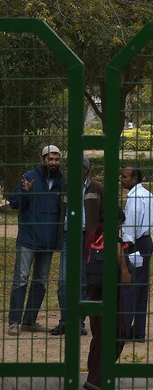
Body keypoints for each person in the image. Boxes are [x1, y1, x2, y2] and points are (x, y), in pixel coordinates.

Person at [7, 145, 64, 336]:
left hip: (47, 241)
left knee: (40, 282)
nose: (54, 163)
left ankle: (29, 321)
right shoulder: (30, 176)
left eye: (57, 159)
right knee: (20, 279)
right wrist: (25, 191)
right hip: (28, 238)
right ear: (43, 160)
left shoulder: (62, 182)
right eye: (51, 159)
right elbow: (14, 203)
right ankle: (14, 322)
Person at [52, 156, 104, 336]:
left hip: (87, 239)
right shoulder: (66, 187)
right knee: (64, 281)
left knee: (83, 282)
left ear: (86, 169)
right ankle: (65, 321)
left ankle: (79, 322)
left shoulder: (96, 188)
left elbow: (105, 215)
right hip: (68, 237)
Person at [84, 209, 132, 390]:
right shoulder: (114, 241)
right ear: (118, 222)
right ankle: (98, 378)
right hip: (111, 294)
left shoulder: (91, 237)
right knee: (116, 333)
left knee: (98, 335)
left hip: (93, 291)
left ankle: (93, 376)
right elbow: (126, 277)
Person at [120, 165, 153, 342]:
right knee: (141, 287)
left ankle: (124, 328)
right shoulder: (147, 194)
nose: (122, 179)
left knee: (130, 287)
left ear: (135, 179)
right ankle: (138, 331)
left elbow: (129, 227)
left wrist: (128, 243)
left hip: (134, 244)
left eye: (125, 177)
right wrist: (148, 226)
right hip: (145, 242)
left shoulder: (134, 199)